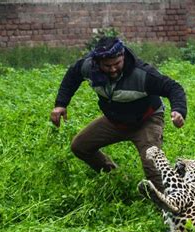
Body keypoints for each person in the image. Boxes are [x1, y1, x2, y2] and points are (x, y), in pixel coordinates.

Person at [50, 36, 187, 192]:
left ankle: (171, 203)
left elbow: (173, 87)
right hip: (114, 121)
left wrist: (178, 110)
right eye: (107, 66)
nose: (113, 69)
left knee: (153, 167)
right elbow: (72, 76)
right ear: (97, 62)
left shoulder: (142, 73)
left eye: (117, 64)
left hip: (146, 120)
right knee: (80, 146)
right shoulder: (88, 66)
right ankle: (117, 177)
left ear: (123, 56)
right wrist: (61, 104)